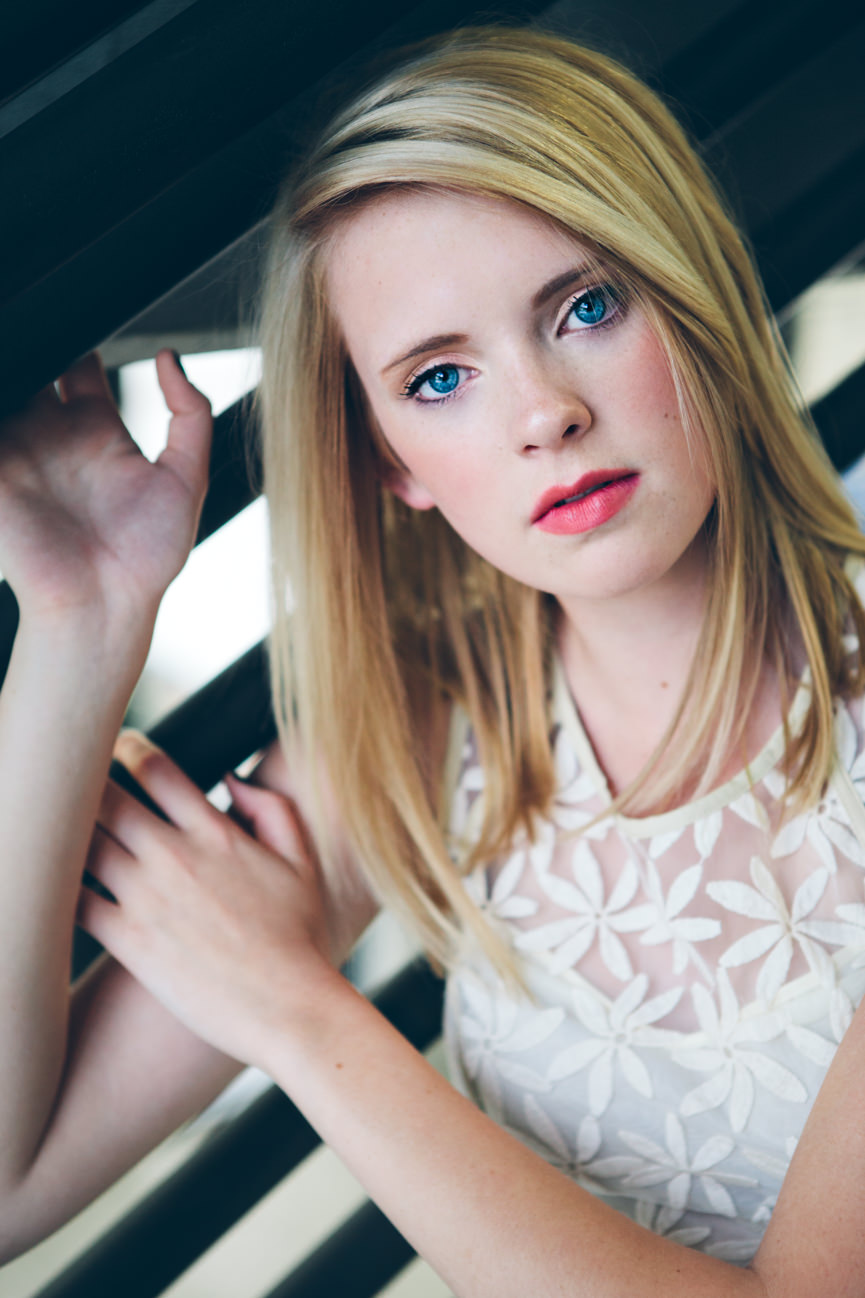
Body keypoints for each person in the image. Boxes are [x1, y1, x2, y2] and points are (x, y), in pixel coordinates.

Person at [1, 24, 865, 1295]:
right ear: (393, 462)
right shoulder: (426, 740)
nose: (543, 412)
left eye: (586, 305)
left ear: (698, 295)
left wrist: (301, 1014)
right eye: (441, 376)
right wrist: (82, 625)